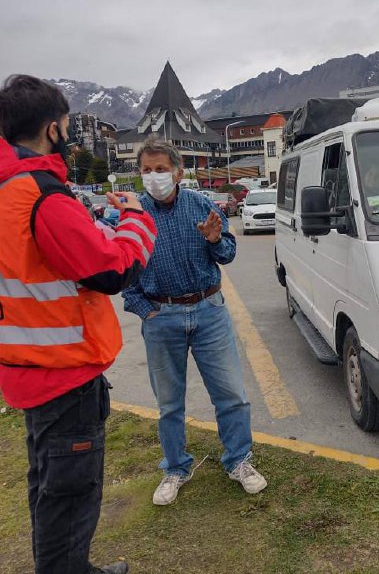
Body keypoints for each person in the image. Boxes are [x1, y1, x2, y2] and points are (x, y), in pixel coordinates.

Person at [0, 74, 157, 574]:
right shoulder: (43, 196)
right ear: (53, 129)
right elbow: (112, 272)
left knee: (49, 488)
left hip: (24, 365)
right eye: (66, 125)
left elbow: (25, 267)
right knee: (69, 495)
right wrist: (136, 221)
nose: (67, 134)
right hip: (63, 373)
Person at [122, 136, 267, 506]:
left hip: (208, 311)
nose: (154, 176)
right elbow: (123, 266)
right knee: (169, 403)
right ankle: (175, 467)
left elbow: (228, 253)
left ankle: (238, 460)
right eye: (147, 170)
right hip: (161, 316)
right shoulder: (135, 215)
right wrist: (144, 309)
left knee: (231, 394)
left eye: (161, 169)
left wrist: (216, 240)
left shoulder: (201, 204)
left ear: (177, 172)